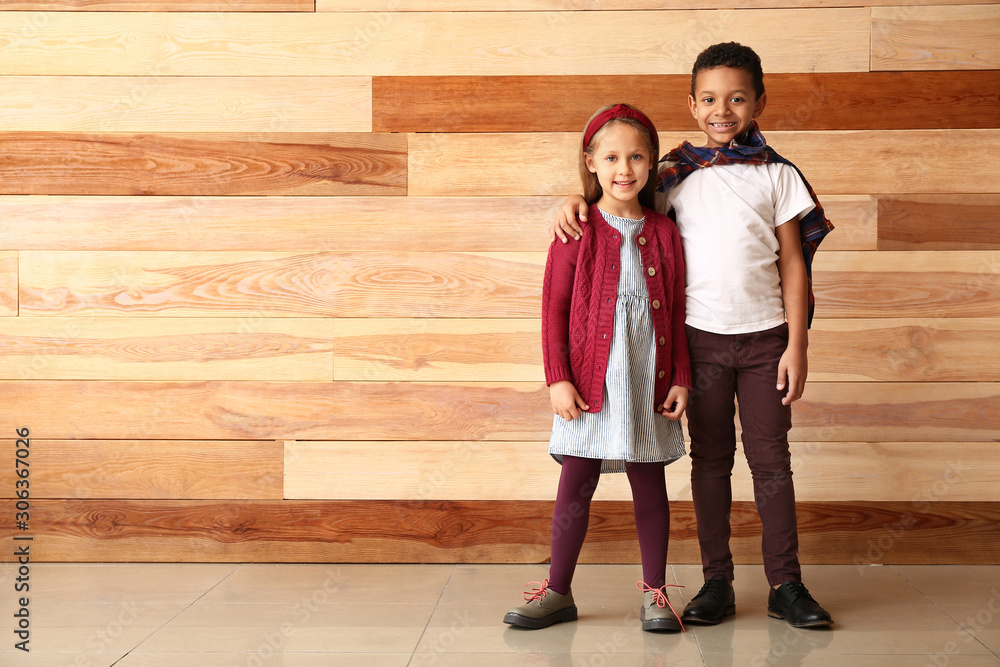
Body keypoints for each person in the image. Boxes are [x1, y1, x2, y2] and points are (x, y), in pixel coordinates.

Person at [551, 43, 835, 629]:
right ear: (691, 103)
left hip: (766, 342)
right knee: (709, 462)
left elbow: (792, 263)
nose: (722, 109)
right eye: (708, 98)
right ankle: (716, 582)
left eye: (736, 98)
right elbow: (618, 197)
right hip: (699, 341)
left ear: (759, 102)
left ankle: (786, 583)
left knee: (772, 461)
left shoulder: (777, 175)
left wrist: (798, 346)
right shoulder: (673, 174)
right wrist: (574, 197)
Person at [503, 103, 692, 633]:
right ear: (590, 162)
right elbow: (554, 311)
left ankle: (657, 592)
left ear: (653, 163)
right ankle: (558, 590)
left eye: (636, 156)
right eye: (611, 157)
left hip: (648, 379)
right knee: (576, 482)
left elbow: (676, 311)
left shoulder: (665, 232)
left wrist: (681, 375)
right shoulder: (576, 229)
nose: (624, 168)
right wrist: (557, 378)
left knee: (648, 480)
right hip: (588, 381)